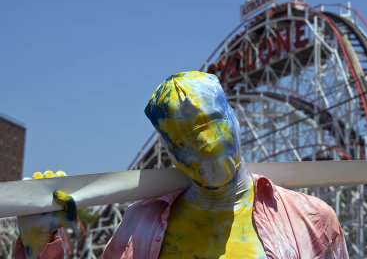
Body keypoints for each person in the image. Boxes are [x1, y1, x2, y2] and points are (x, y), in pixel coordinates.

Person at [16, 71, 349, 258]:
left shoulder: (311, 218)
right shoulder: (139, 224)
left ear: (234, 119)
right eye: (182, 140)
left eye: (210, 124)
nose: (203, 145)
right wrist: (37, 248)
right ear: (169, 152)